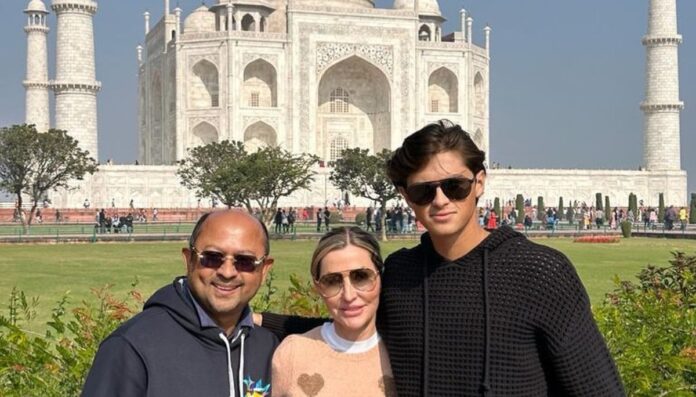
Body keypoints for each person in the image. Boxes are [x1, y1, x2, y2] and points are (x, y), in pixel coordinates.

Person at [259, 121, 624, 395]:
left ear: (479, 182)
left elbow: (596, 388)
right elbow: (345, 321)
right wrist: (251, 318)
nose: (440, 200)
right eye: (424, 190)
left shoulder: (539, 273)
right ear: (406, 196)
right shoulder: (402, 276)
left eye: (454, 186)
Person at [82, 210, 278, 397]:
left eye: (244, 261)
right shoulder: (132, 346)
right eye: (211, 258)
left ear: (264, 270)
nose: (227, 272)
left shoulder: (269, 348)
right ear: (189, 260)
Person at [272, 227, 394, 396]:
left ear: (380, 278)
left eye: (360, 277)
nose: (349, 295)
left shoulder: (401, 352)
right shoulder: (294, 353)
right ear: (318, 287)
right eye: (333, 281)